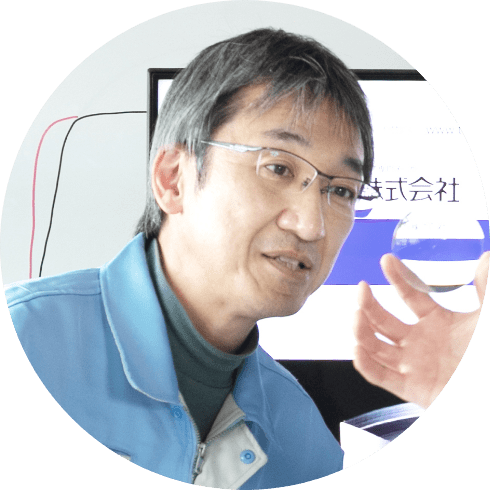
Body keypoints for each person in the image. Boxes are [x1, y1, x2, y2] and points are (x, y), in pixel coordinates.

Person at [5, 28, 487, 488]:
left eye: (341, 190)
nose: (312, 226)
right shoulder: (29, 341)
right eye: (277, 167)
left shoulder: (300, 435)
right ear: (173, 179)